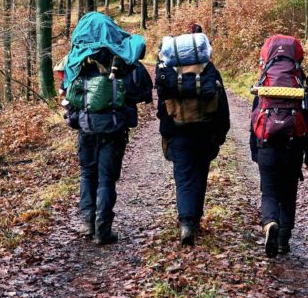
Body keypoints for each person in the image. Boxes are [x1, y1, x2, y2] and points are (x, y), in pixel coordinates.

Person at [60, 12, 153, 245]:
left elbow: (66, 93)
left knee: (87, 173)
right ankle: (103, 229)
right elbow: (142, 91)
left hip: (86, 127)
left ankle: (87, 221)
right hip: (114, 129)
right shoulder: (122, 56)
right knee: (106, 179)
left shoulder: (77, 59)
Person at [155, 23, 230, 246]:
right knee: (200, 175)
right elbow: (222, 106)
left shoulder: (170, 71)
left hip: (178, 134)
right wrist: (220, 134)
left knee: (184, 177)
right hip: (205, 133)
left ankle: (187, 223)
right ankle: (194, 219)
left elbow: (162, 109)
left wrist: (166, 133)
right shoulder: (209, 70)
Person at [249, 35, 308, 258]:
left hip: (266, 143)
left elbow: (254, 119)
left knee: (268, 190)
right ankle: (283, 240)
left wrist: (254, 149)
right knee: (289, 191)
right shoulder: (300, 87)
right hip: (293, 144)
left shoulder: (263, 85)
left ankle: (270, 223)